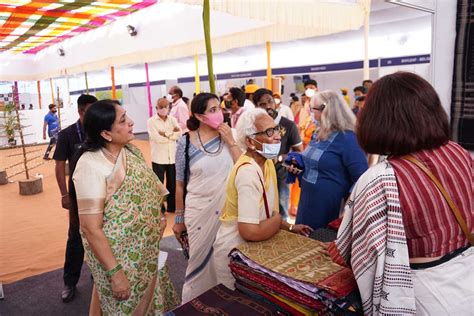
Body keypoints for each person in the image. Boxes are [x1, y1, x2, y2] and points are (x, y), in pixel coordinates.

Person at [330, 72, 473, 315]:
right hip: (468, 277)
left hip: (426, 296)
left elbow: (352, 251)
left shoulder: (381, 177)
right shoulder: (457, 152)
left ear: (378, 120)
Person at [71, 100, 179, 314]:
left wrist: (156, 216)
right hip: (119, 260)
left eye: (126, 116)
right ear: (106, 134)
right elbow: (91, 228)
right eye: (123, 120)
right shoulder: (89, 165)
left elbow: (149, 188)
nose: (131, 122)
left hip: (145, 252)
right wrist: (116, 274)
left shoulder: (131, 151)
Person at [212, 109, 313, 290]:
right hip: (234, 254)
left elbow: (265, 213)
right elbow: (250, 231)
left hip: (250, 251)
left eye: (276, 130)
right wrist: (276, 220)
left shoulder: (266, 163)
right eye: (269, 132)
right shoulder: (248, 172)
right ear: (251, 141)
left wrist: (289, 227)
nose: (277, 137)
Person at [172, 93, 242, 303]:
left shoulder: (232, 136)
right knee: (198, 262)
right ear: (199, 116)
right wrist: (178, 219)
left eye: (219, 108)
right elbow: (179, 184)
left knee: (227, 260)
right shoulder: (184, 143)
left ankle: (226, 303)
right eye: (212, 110)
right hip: (198, 212)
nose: (218, 113)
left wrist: (230, 141)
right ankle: (196, 304)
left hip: (229, 213)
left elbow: (243, 169)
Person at [290, 90, 368, 230]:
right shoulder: (317, 133)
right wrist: (298, 164)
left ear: (326, 110)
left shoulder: (348, 139)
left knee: (323, 245)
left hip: (329, 206)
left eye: (313, 110)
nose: (311, 114)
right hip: (307, 202)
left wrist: (347, 210)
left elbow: (361, 178)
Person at [53, 94, 97, 303]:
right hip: (78, 196)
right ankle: (70, 282)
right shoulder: (67, 134)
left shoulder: (101, 131)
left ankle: (99, 275)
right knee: (76, 239)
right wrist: (64, 194)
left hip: (101, 194)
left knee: (102, 235)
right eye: (89, 111)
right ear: (80, 111)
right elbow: (60, 165)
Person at [253, 88, 302, 221]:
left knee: (281, 205)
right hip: (259, 171)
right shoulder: (254, 124)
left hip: (281, 172)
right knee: (261, 206)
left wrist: (283, 157)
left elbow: (299, 151)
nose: (267, 106)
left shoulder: (288, 125)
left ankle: (284, 233)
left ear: (275, 102)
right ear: (256, 107)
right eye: (262, 104)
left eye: (270, 101)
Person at [147, 97, 181, 213]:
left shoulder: (172, 119)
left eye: (166, 107)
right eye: (161, 107)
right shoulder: (151, 121)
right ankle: (160, 208)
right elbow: (156, 138)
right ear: (157, 108)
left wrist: (165, 134)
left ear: (169, 107)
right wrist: (172, 136)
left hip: (172, 157)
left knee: (172, 184)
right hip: (158, 158)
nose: (163, 109)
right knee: (159, 185)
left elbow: (179, 134)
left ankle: (172, 207)